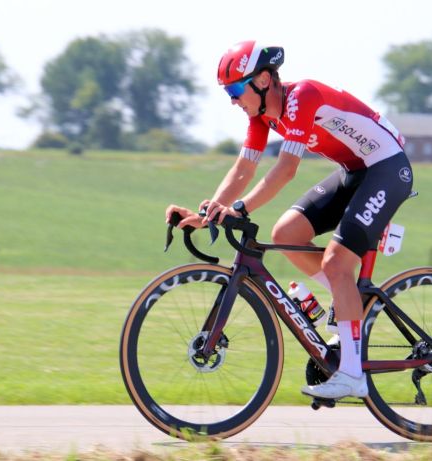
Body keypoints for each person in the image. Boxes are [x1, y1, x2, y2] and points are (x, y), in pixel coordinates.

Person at [165, 40, 413, 400]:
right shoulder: (261, 117)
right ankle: (348, 305)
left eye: (235, 90)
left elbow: (285, 170)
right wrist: (209, 213)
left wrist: (240, 209)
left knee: (337, 263)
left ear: (263, 80)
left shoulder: (303, 97)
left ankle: (352, 374)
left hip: (388, 168)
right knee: (285, 233)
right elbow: (244, 168)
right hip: (354, 171)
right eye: (227, 93)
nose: (232, 101)